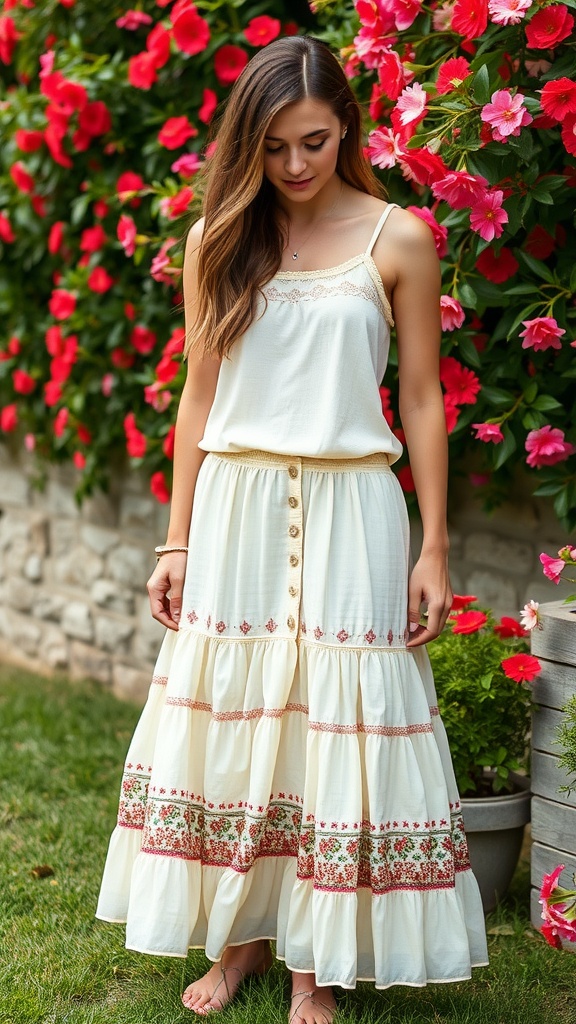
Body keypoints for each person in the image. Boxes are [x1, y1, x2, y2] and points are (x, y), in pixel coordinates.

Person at [96, 34, 488, 1024]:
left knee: (331, 722)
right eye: (274, 148)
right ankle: (237, 940)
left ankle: (316, 965)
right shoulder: (218, 241)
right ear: (250, 147)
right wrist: (176, 539)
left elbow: (424, 399)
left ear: (348, 126)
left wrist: (434, 543)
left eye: (313, 140)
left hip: (355, 503)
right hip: (235, 504)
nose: (297, 165)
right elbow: (198, 397)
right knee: (235, 722)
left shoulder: (397, 237)